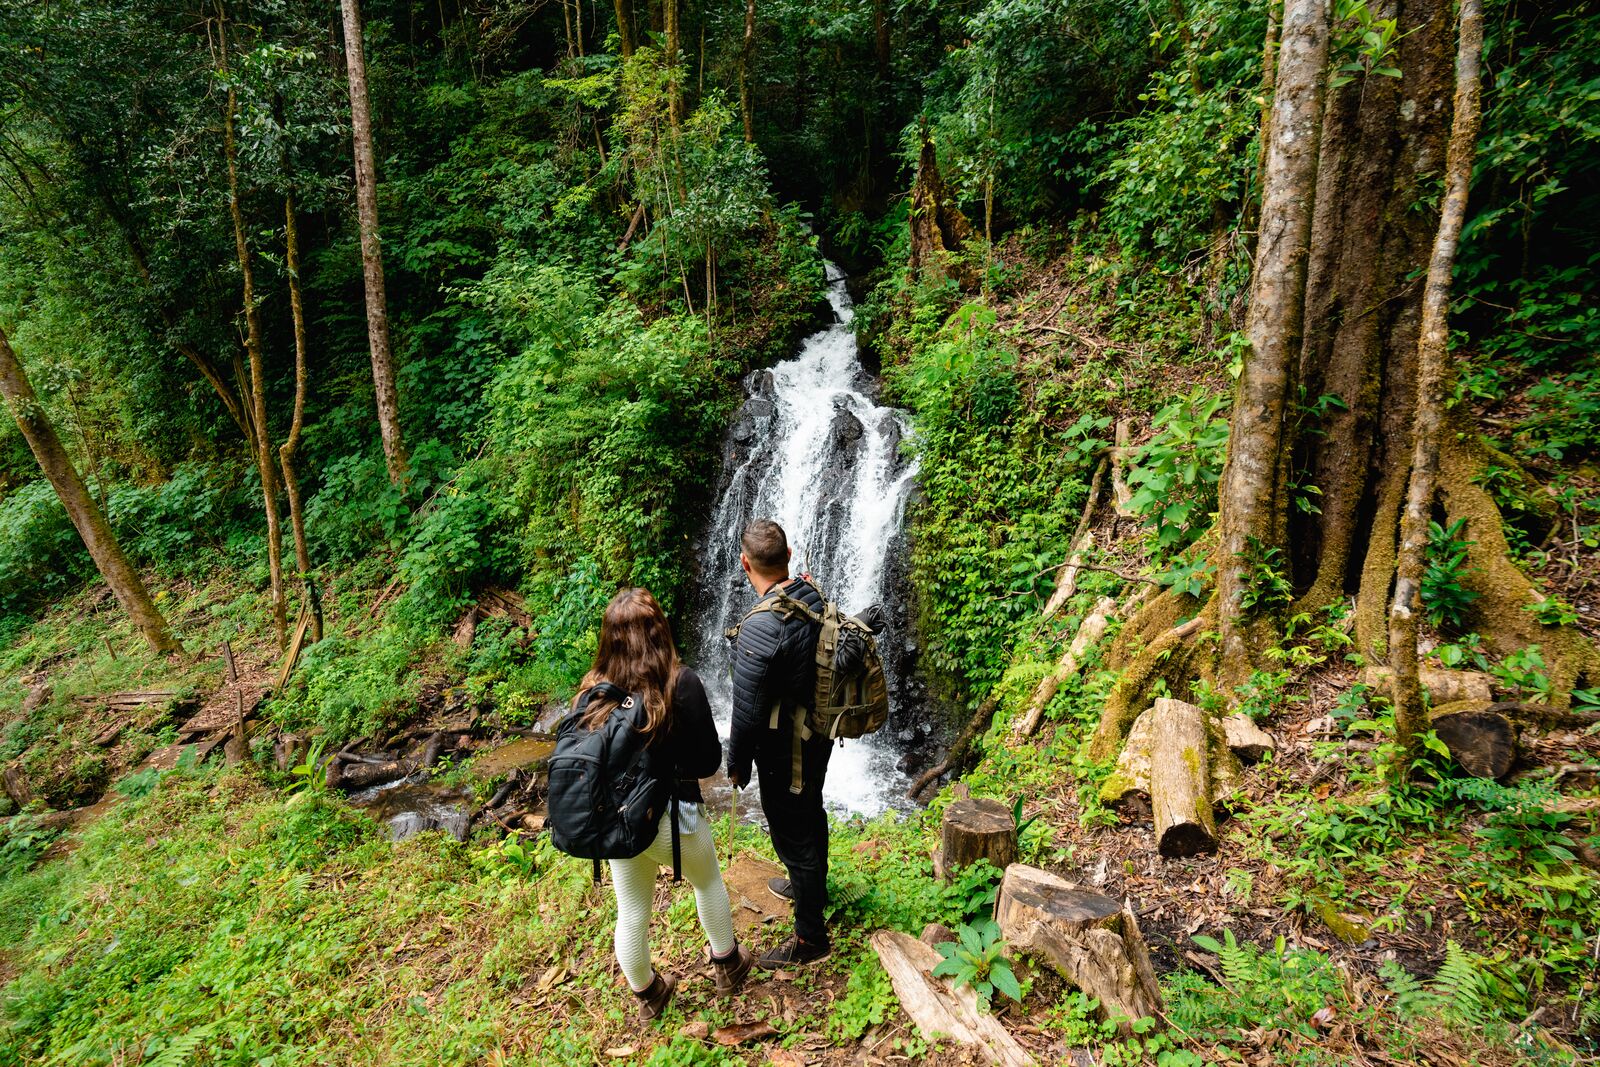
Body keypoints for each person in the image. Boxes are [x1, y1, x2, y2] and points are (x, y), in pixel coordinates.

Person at [577, 587, 754, 1019]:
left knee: (632, 909)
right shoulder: (680, 682)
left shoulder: (593, 690)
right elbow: (708, 761)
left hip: (619, 821)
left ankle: (648, 995)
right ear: (659, 630)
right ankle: (728, 965)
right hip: (674, 819)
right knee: (708, 881)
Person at [726, 518, 833, 967]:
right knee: (809, 812)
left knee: (793, 831)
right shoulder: (809, 593)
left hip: (786, 748)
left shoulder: (761, 626)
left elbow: (747, 711)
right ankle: (811, 888)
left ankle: (810, 940)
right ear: (789, 557)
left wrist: (736, 763)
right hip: (816, 734)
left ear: (746, 563)